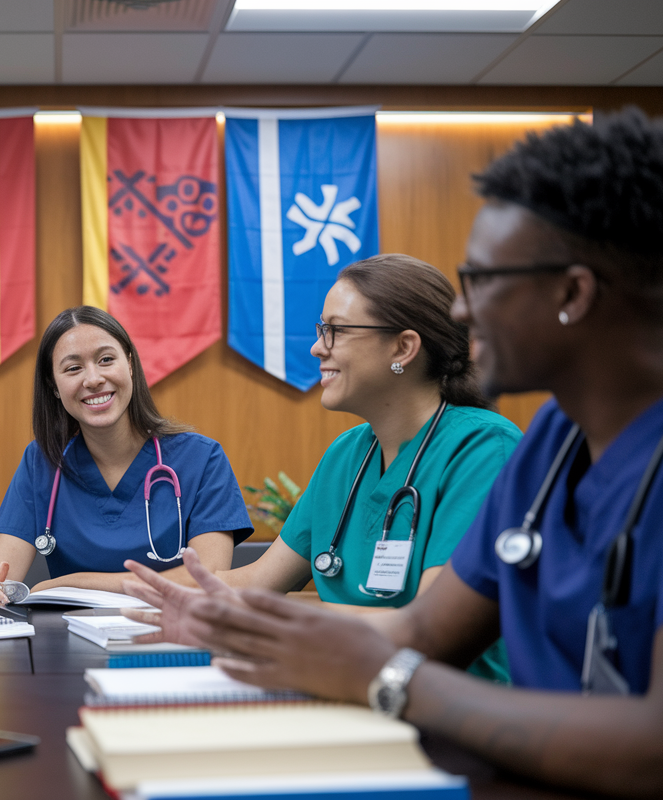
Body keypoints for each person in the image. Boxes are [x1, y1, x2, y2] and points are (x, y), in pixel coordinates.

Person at [122, 108, 663, 797]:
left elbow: (662, 749)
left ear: (572, 293)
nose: (463, 313)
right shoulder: (550, 453)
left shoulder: (504, 447)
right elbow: (422, 629)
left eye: (482, 281)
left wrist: (382, 677)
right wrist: (238, 621)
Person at [195, 254, 520, 681]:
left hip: (452, 708)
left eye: (337, 330)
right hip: (351, 683)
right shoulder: (347, 453)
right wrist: (165, 597)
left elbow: (430, 626)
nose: (317, 347)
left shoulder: (483, 448)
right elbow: (257, 580)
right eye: (321, 329)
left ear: (403, 347)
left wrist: (272, 616)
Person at [0, 306, 253, 609]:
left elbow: (208, 578)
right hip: (71, 647)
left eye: (106, 360)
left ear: (129, 364)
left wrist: (74, 582)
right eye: (73, 368)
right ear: (53, 386)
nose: (93, 379)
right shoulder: (41, 461)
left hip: (178, 641)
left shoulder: (202, 458)